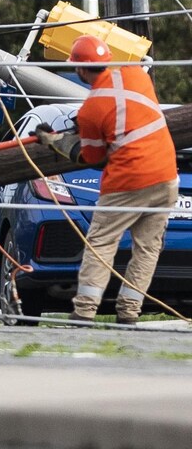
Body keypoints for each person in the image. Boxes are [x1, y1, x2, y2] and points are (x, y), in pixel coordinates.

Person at [35, 34, 178, 325]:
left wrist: (53, 140)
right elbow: (126, 114)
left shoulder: (91, 110)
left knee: (101, 242)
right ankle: (128, 313)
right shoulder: (136, 74)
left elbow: (89, 156)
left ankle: (84, 312)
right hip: (166, 177)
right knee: (148, 248)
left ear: (81, 69)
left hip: (128, 181)